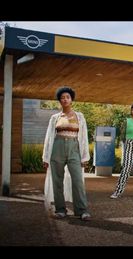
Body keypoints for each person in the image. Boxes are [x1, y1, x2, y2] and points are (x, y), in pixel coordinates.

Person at [42, 87, 91, 221]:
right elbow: (49, 137)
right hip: (57, 148)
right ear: (59, 100)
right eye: (62, 97)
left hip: (74, 148)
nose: (65, 99)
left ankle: (82, 210)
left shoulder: (79, 116)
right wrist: (46, 157)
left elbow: (84, 136)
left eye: (67, 97)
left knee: (77, 180)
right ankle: (60, 209)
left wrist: (85, 156)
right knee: (57, 180)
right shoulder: (55, 118)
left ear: (71, 99)